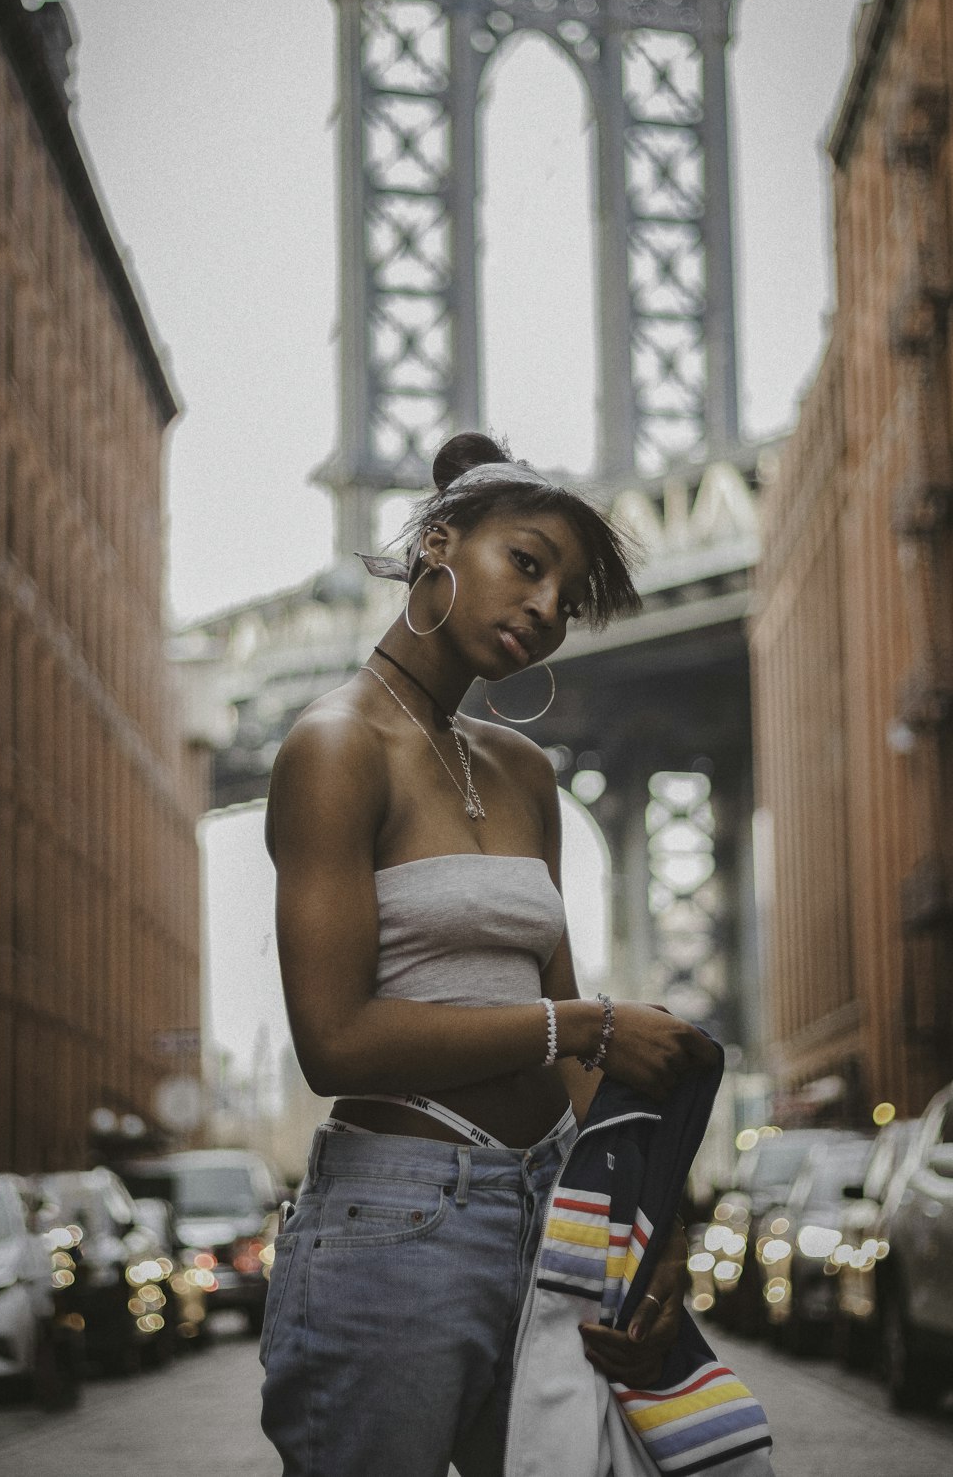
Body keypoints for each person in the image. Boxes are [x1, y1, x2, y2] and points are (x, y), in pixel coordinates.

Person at [260, 432, 720, 1477]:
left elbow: (561, 1034)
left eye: (568, 595)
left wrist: (645, 1230)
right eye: (528, 562)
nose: (547, 606)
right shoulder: (332, 746)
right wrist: (592, 1021)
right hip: (396, 1222)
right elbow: (334, 1041)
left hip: (551, 1206)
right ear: (437, 544)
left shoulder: (520, 771)